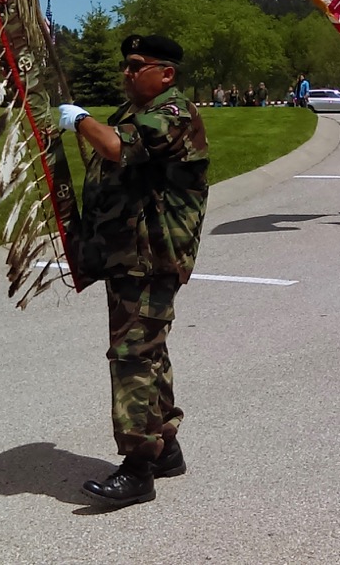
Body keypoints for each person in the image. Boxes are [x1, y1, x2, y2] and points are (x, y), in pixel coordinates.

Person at [56, 33, 209, 508]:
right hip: (130, 256)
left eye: (136, 65)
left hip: (153, 257)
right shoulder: (132, 113)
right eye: (124, 64)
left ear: (166, 74)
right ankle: (165, 446)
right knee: (149, 350)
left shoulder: (174, 114)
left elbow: (118, 150)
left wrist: (79, 119)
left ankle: (138, 467)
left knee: (131, 355)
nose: (126, 72)